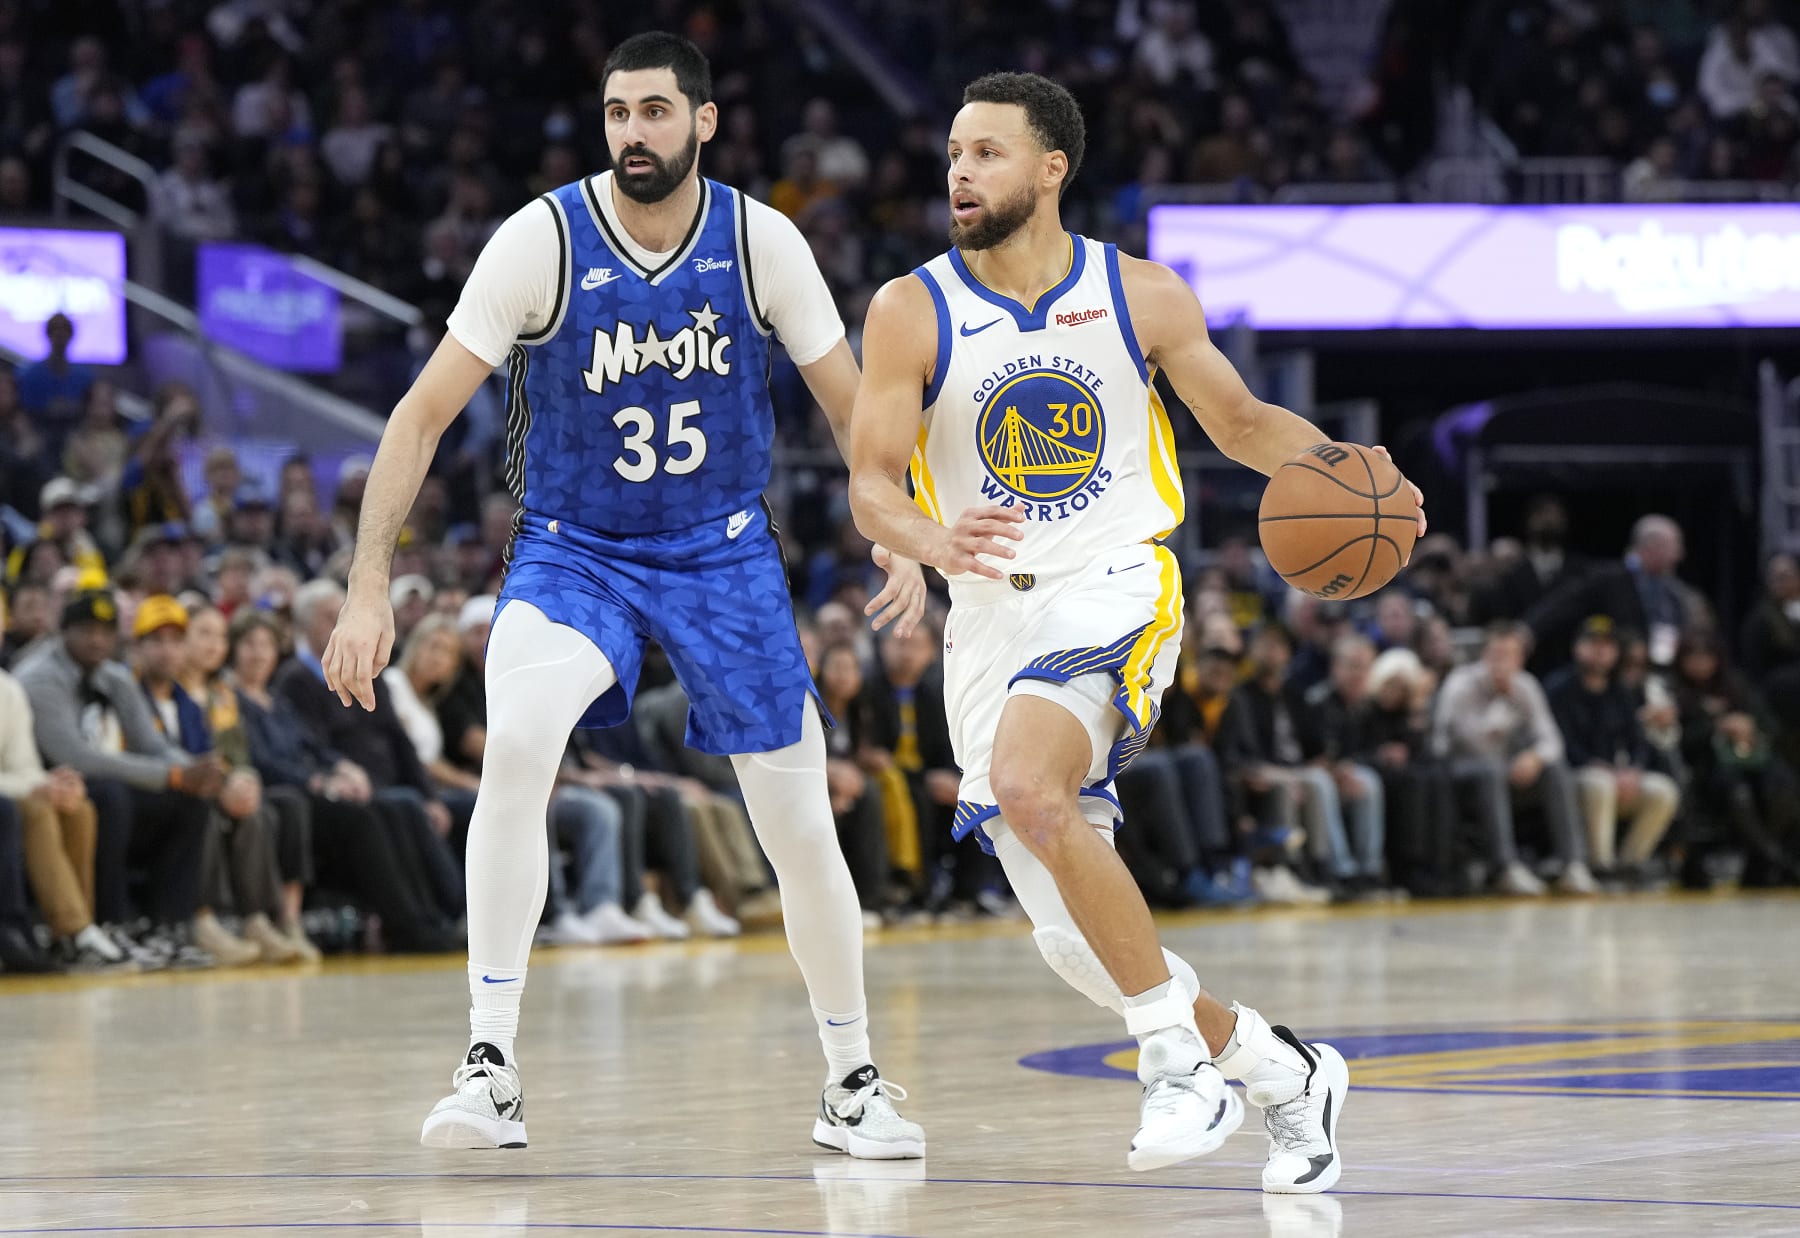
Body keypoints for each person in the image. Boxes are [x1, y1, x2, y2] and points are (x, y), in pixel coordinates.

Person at [321, 33, 925, 1156]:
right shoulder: (542, 239)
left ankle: (853, 1079)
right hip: (573, 546)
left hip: (725, 551)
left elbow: (853, 410)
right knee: (520, 739)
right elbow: (417, 416)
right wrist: (368, 584)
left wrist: (896, 526)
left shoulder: (760, 239)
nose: (633, 133)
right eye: (616, 114)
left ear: (702, 121)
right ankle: (489, 1060)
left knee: (795, 821)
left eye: (654, 112)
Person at [848, 71, 1425, 1192]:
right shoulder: (908, 307)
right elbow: (869, 484)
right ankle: (1278, 1068)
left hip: (1115, 582)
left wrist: (1361, 482)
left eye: (989, 153)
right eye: (955, 152)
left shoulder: (1140, 294)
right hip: (988, 611)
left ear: (1051, 167)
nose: (961, 171)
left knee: (1028, 783)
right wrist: (927, 537)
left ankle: (1172, 1060)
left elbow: (1245, 422)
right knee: (1073, 935)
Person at [14, 588, 224, 968]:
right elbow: (77, 757)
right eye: (86, 630)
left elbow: (152, 744)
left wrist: (199, 772)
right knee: (112, 796)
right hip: (51, 789)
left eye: (105, 631)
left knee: (190, 803)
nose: (97, 639)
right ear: (64, 632)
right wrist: (173, 774)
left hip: (100, 791)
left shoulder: (114, 678)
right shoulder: (40, 677)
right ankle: (112, 924)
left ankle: (167, 927)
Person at [1433, 622, 1599, 895]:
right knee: (1491, 770)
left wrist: (1533, 758)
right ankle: (1505, 867)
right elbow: (1468, 744)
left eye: (1510, 655)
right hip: (1457, 771)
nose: (1502, 662)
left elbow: (1552, 740)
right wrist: (1503, 705)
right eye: (1497, 654)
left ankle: (1573, 864)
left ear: (1521, 659)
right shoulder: (1461, 684)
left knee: (1554, 769)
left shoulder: (1526, 685)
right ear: (1484, 655)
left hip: (1504, 771)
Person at [1543, 617, 1680, 882]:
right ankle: (1599, 865)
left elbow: (1637, 740)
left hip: (1614, 775)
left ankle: (1630, 864)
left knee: (1663, 790)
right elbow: (1559, 742)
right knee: (1600, 783)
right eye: (1592, 643)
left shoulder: (1620, 690)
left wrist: (1635, 769)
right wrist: (1592, 764)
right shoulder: (1558, 688)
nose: (1600, 650)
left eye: (1607, 645)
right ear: (1577, 648)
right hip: (1572, 776)